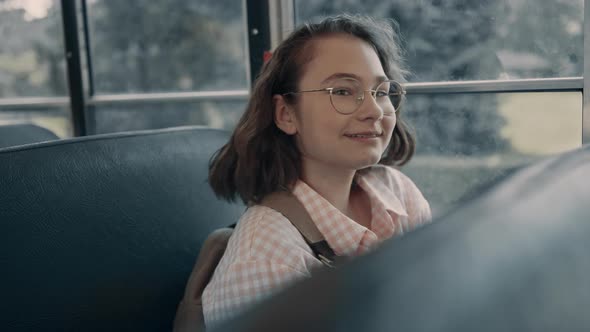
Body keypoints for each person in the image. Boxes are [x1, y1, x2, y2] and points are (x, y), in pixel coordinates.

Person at [202, 14, 432, 327]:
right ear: (285, 114)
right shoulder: (265, 260)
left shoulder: (397, 191)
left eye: (380, 91)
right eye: (342, 91)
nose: (374, 110)